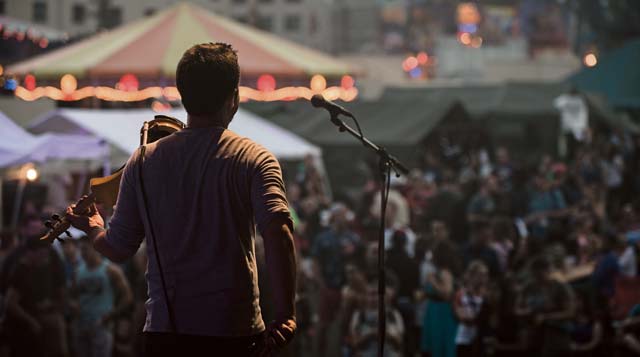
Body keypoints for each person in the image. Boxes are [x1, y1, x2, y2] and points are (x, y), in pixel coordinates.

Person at [65, 43, 297, 356]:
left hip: (166, 334)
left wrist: (93, 226)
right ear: (235, 97)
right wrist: (285, 314)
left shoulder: (144, 160)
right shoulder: (254, 158)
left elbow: (118, 248)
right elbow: (278, 233)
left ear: (182, 95)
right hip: (233, 330)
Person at [71, 236, 133, 357]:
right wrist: (73, 305)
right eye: (81, 249)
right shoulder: (78, 272)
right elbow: (71, 295)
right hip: (81, 324)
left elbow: (128, 296)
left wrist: (110, 316)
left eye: (85, 249)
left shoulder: (111, 270)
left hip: (101, 325)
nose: (82, 253)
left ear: (96, 249)